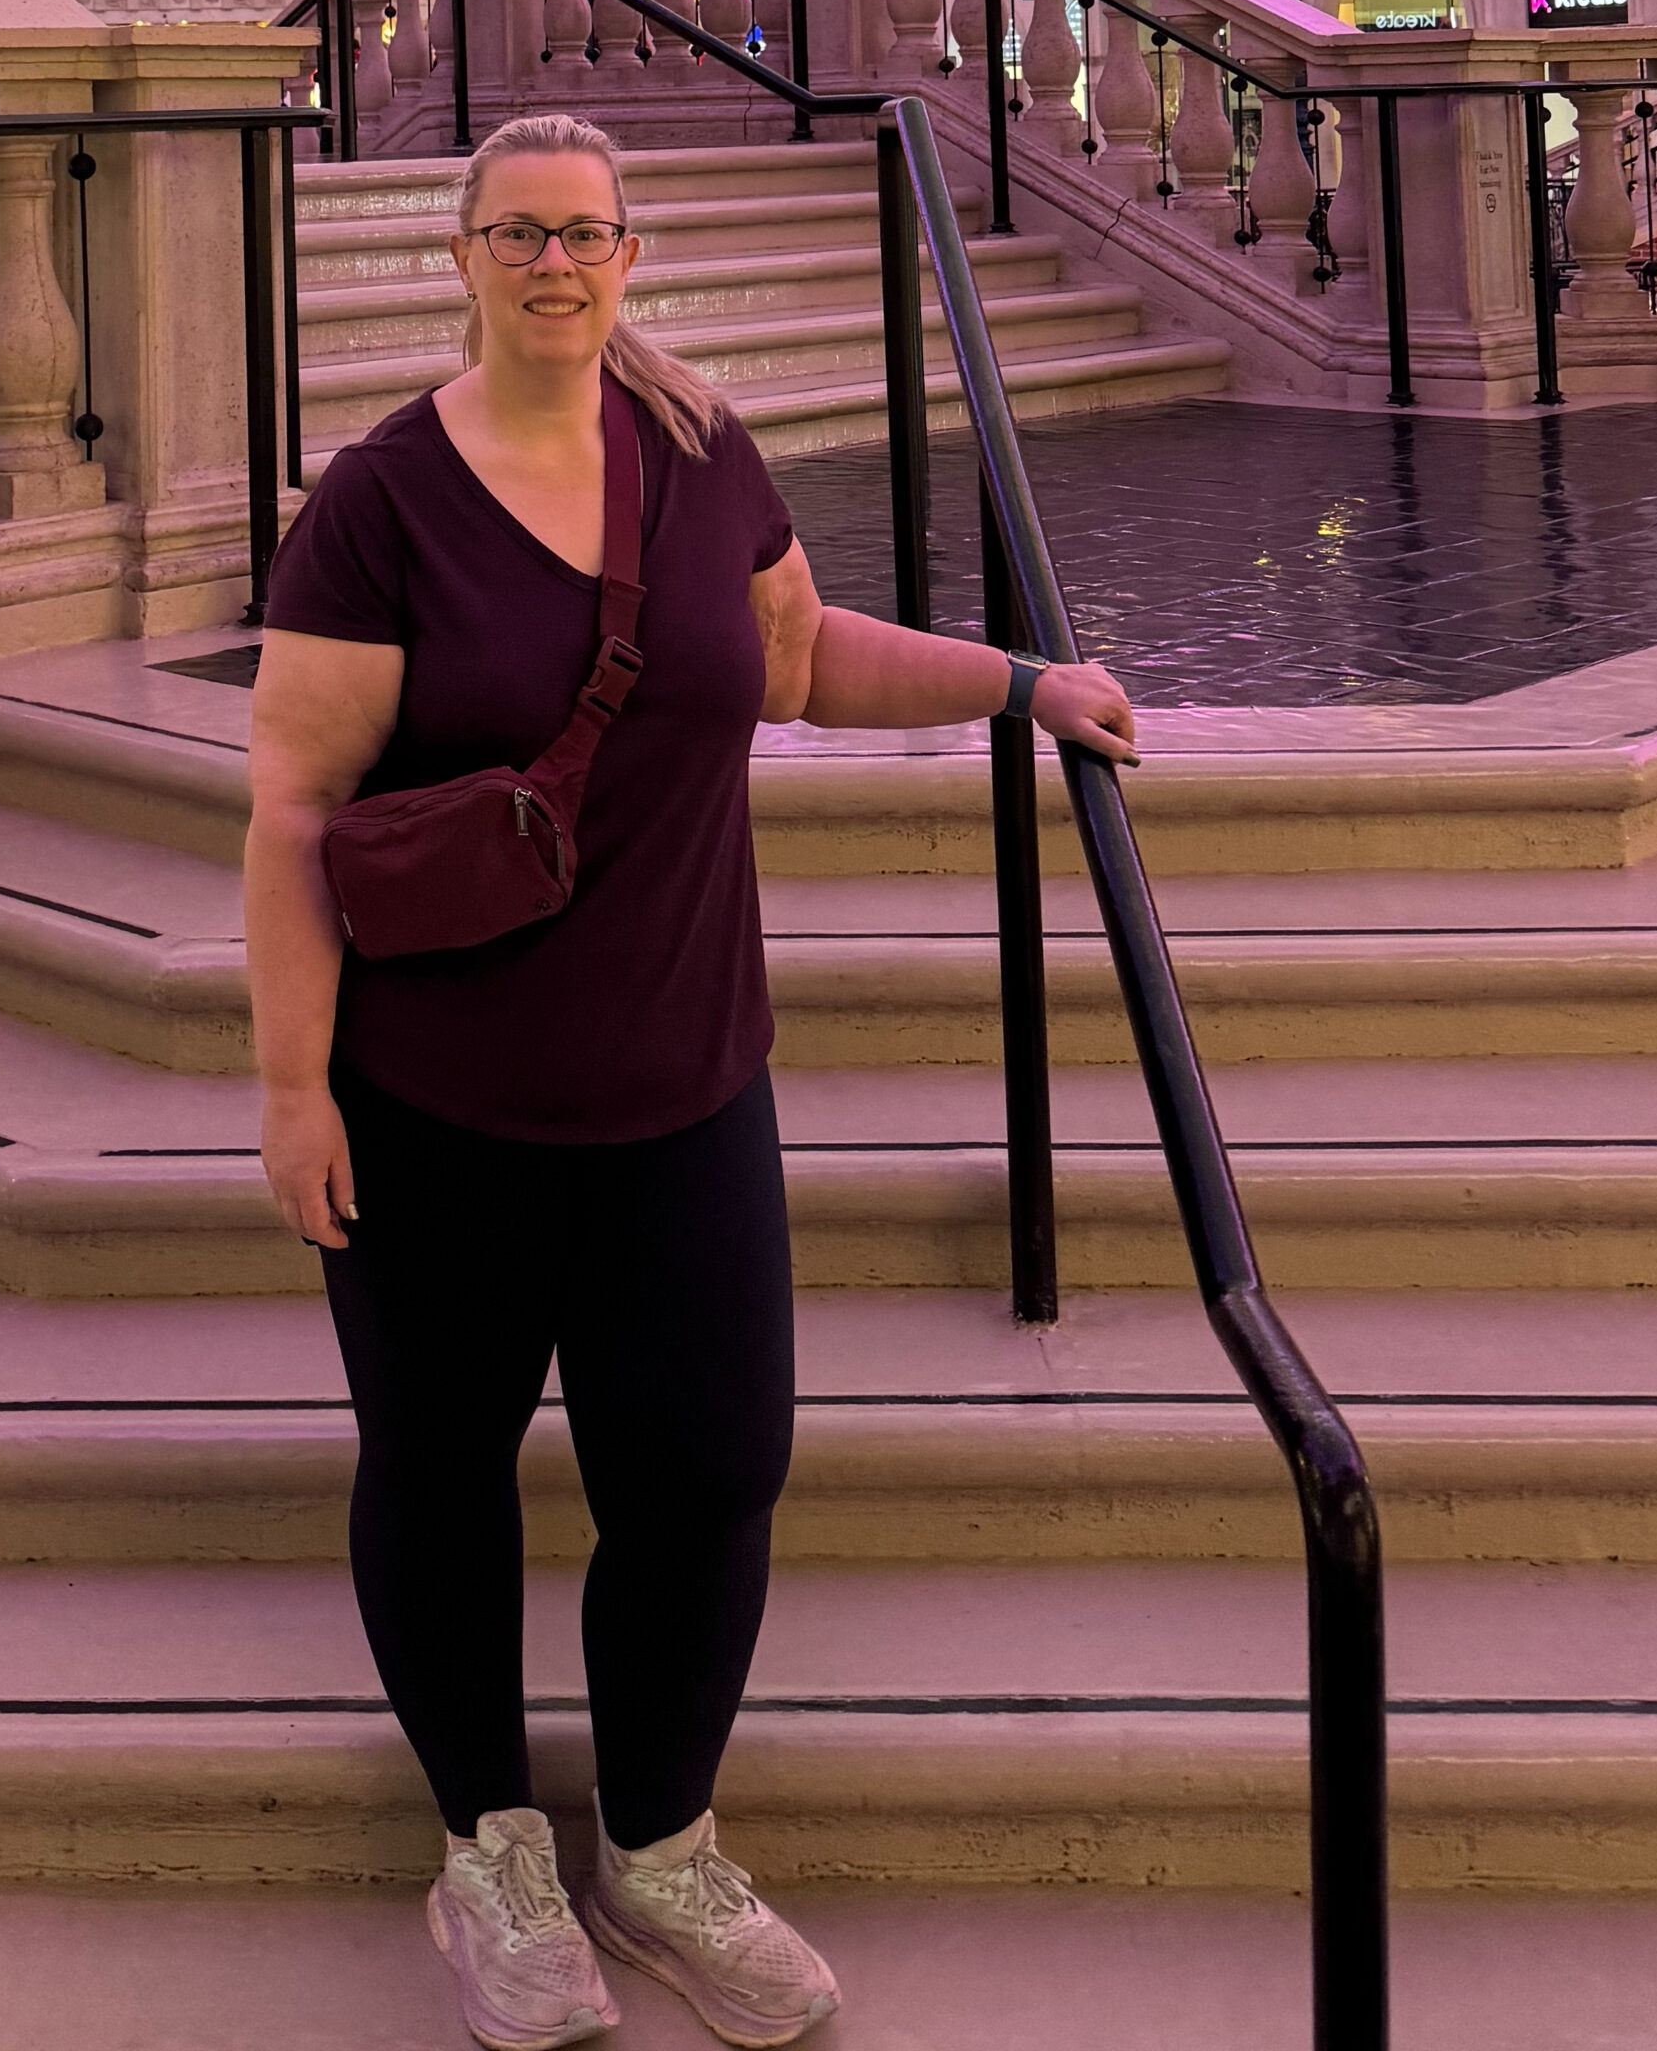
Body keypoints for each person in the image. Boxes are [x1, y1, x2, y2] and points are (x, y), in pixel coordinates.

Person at [249, 112, 1140, 2050]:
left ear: (628, 253)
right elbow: (297, 806)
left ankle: (658, 1841)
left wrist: (1019, 682)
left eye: (584, 232)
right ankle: (488, 1848)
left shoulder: (698, 451)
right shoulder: (378, 500)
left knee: (712, 1466)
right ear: (462, 255)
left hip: (683, 1078)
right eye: (516, 233)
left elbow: (805, 660)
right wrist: (295, 1082)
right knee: (441, 1468)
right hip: (433, 1095)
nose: (552, 264)